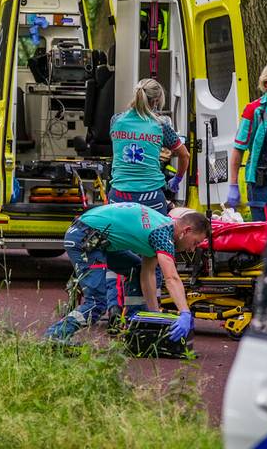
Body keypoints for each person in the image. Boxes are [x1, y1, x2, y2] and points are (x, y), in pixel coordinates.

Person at [43, 202, 208, 345]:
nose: (192, 249)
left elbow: (147, 273)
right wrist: (185, 312)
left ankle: (134, 324)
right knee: (97, 303)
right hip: (84, 239)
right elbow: (171, 278)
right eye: (195, 243)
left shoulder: (162, 226)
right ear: (186, 231)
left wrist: (154, 317)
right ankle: (54, 335)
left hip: (95, 239)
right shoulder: (163, 236)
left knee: (135, 268)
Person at [108, 78, 190, 215]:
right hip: (151, 197)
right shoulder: (161, 125)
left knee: (119, 235)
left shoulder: (116, 120)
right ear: (156, 101)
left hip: (119, 195)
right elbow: (184, 155)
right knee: (157, 233)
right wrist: (178, 178)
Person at [226, 61, 267, 221]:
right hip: (261, 182)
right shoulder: (255, 110)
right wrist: (233, 185)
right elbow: (238, 148)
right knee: (264, 235)